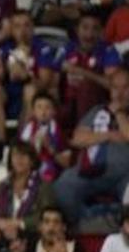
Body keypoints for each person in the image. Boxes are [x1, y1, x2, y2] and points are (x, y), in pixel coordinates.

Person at [54, 69, 129, 227]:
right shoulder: (98, 111)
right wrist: (109, 135)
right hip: (89, 170)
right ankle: (86, 225)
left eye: (125, 87)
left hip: (125, 174)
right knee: (63, 185)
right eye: (115, 88)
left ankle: (116, 224)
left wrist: (120, 114)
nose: (120, 93)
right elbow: (77, 138)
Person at [0, 10, 59, 147]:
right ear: (12, 29)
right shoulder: (4, 48)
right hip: (10, 93)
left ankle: (21, 142)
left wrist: (27, 75)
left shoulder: (43, 48)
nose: (22, 30)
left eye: (26, 25)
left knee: (29, 89)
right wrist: (0, 72)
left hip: (33, 94)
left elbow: (44, 83)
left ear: (32, 28)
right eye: (17, 26)